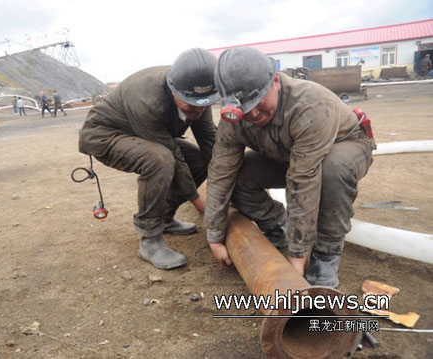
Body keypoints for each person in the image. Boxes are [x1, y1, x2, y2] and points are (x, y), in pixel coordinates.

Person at [205, 47, 375, 287]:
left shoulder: (310, 106)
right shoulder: (233, 121)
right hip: (288, 155)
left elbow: (303, 180)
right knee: (238, 174)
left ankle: (326, 253)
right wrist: (214, 236)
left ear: (275, 81)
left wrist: (297, 255)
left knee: (331, 170)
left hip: (343, 146)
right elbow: (220, 172)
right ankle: (277, 224)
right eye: (243, 109)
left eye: (258, 101)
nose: (253, 114)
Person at [79, 48, 219, 270]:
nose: (198, 110)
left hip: (144, 133)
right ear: (174, 90)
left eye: (204, 103)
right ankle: (150, 239)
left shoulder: (198, 95)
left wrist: (229, 188)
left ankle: (165, 217)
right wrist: (202, 206)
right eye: (191, 104)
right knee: (159, 160)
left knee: (197, 158)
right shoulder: (148, 99)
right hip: (106, 134)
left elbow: (211, 142)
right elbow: (171, 154)